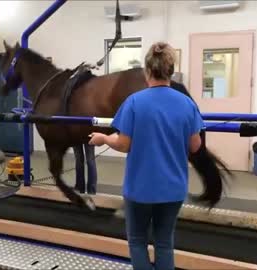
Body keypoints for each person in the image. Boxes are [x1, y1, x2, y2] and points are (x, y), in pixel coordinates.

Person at [88, 42, 203, 270]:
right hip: (173, 189)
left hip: (140, 189)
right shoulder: (187, 104)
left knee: (138, 241)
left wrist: (103, 139)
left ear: (147, 71)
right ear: (171, 70)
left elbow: (122, 144)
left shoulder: (134, 102)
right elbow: (195, 146)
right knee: (164, 243)